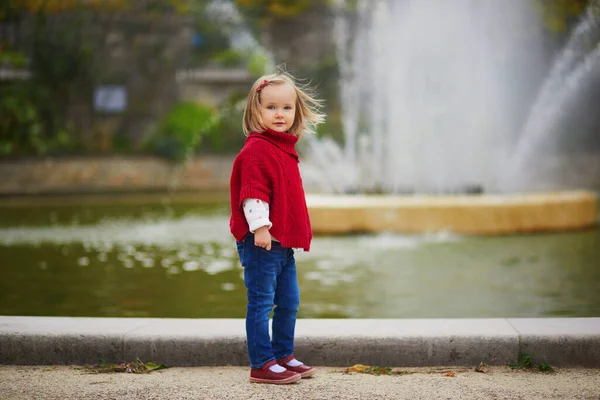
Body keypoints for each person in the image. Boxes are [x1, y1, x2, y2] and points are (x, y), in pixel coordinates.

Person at [229, 70, 325, 384]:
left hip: (281, 245)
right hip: (263, 242)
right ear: (255, 111)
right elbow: (253, 193)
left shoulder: (283, 147)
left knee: (289, 301)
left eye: (286, 107)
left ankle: (283, 355)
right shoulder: (258, 148)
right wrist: (261, 229)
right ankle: (262, 363)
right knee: (261, 302)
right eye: (271, 107)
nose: (279, 114)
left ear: (296, 111)